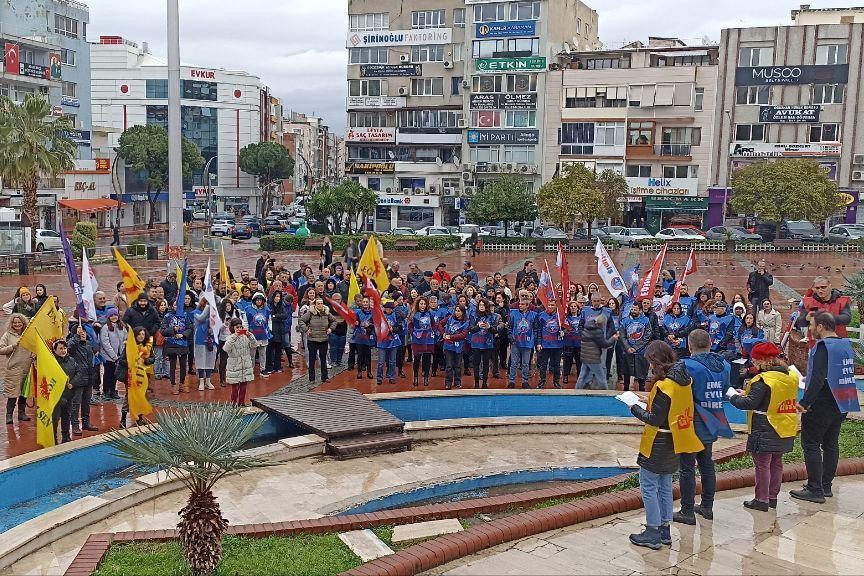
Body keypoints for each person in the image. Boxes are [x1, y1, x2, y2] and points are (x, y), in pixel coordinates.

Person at [627, 341, 703, 550]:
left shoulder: (664, 386)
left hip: (658, 442)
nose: (649, 366)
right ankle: (664, 529)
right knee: (665, 486)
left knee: (649, 486)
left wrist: (633, 406)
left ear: (655, 361)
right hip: (676, 439)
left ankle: (652, 531)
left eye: (650, 362)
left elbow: (654, 418)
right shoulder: (684, 381)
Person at [791, 312, 861, 504]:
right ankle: (826, 485)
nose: (810, 329)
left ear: (821, 326)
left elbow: (818, 378)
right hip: (842, 401)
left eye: (812, 325)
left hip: (822, 402)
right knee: (831, 444)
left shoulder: (822, 347)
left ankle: (815, 489)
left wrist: (805, 403)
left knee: (811, 444)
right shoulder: (845, 344)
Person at [728, 341, 798, 511]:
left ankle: (761, 499)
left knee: (762, 464)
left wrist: (732, 396)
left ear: (761, 361)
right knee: (776, 463)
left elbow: (751, 403)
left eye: (754, 360)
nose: (752, 363)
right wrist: (748, 393)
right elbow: (772, 397)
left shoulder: (763, 380)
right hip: (784, 426)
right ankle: (772, 497)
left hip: (764, 427)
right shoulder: (790, 376)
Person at [674, 329, 734, 524]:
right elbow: (725, 390)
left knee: (687, 467)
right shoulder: (724, 365)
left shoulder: (686, 365)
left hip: (691, 419)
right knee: (707, 464)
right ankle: (707, 507)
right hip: (713, 418)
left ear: (689, 346)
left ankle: (687, 511)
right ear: (710, 343)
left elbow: (678, 392)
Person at [795, 276, 851, 347]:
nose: (820, 290)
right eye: (817, 288)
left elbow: (847, 318)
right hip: (816, 344)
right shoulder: (808, 302)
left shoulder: (841, 301)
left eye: (823, 287)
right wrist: (806, 318)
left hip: (838, 342)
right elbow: (798, 323)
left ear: (830, 286)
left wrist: (827, 318)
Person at [116, 326, 153, 428]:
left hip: (142, 376)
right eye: (139, 334)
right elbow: (122, 360)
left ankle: (139, 418)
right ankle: (123, 419)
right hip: (131, 376)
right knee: (129, 397)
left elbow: (152, 358)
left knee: (141, 396)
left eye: (143, 334)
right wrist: (131, 363)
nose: (141, 336)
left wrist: (146, 361)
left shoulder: (147, 346)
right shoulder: (129, 345)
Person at [67, 323, 100, 435]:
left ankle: (86, 422)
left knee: (86, 403)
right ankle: (75, 424)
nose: (83, 334)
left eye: (84, 332)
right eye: (80, 332)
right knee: (76, 403)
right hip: (78, 379)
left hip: (89, 377)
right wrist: (76, 336)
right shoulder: (73, 346)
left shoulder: (88, 345)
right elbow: (69, 347)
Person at [1, 314, 34, 425]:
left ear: (23, 323)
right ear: (12, 323)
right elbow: (1, 349)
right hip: (13, 369)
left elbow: (34, 347)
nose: (17, 324)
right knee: (12, 394)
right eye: (15, 322)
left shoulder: (28, 335)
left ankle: (22, 413)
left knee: (23, 393)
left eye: (19, 322)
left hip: (27, 369)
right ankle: (9, 415)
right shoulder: (7, 335)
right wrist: (12, 347)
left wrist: (34, 354)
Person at [298, 297, 338, 384]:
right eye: (318, 303)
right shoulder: (310, 313)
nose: (320, 305)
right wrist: (306, 329)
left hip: (323, 339)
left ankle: (325, 377)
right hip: (312, 339)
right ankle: (312, 378)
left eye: (321, 303)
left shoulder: (327, 313)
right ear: (315, 305)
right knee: (312, 360)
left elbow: (334, 321)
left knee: (323, 359)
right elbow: (301, 320)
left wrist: (331, 329)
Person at [575, 314, 617, 390]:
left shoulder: (587, 327)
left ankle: (577, 390)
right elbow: (604, 344)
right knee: (601, 376)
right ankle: (605, 392)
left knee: (582, 375)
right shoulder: (597, 331)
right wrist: (613, 338)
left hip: (585, 355)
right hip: (593, 357)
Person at [620, 301, 655, 392]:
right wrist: (628, 347)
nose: (633, 311)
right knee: (626, 376)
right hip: (627, 352)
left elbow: (647, 336)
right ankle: (625, 393)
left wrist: (635, 348)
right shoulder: (625, 320)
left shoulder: (646, 320)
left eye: (635, 310)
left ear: (640, 310)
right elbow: (622, 336)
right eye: (632, 309)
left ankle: (642, 395)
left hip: (641, 352)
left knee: (641, 378)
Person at [223, 318, 257, 406]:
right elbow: (226, 348)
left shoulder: (245, 337)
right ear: (233, 328)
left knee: (243, 387)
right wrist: (235, 336)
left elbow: (254, 345)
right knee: (235, 388)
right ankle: (233, 404)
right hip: (234, 365)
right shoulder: (230, 338)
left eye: (240, 327)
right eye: (237, 327)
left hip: (245, 365)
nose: (239, 329)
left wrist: (250, 336)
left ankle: (241, 403)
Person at [469, 298, 501, 389]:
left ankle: (484, 383)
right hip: (476, 343)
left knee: (486, 363)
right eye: (480, 305)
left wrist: (489, 327)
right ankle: (476, 383)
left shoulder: (492, 316)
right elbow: (471, 330)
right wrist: (478, 326)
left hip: (487, 343)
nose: (481, 307)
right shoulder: (473, 315)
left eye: (483, 305)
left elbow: (495, 331)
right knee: (476, 363)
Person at [508, 292, 538, 389]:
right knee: (514, 363)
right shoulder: (513, 313)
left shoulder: (534, 315)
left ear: (527, 305)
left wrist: (534, 340)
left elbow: (536, 329)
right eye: (519, 304)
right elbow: (509, 327)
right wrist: (511, 337)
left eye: (522, 304)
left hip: (528, 343)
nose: (520, 305)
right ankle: (512, 381)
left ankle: (525, 381)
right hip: (516, 342)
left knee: (525, 363)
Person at [161, 303, 192, 395]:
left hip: (183, 343)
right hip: (171, 344)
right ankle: (173, 384)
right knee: (173, 366)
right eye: (175, 305)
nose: (177, 307)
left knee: (183, 365)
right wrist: (173, 330)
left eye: (178, 305)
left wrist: (183, 334)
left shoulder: (185, 315)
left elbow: (190, 327)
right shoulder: (167, 316)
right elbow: (162, 330)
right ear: (172, 306)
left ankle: (182, 384)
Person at [52, 339, 77, 443]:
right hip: (57, 397)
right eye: (60, 348)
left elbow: (78, 373)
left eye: (65, 348)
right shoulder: (52, 362)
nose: (63, 350)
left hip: (69, 394)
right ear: (55, 350)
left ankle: (66, 436)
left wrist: (73, 383)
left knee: (66, 416)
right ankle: (53, 438)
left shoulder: (71, 360)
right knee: (55, 419)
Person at [535, 300, 564, 389]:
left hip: (557, 345)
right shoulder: (541, 315)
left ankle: (556, 382)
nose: (550, 307)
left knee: (556, 365)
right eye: (549, 305)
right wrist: (539, 343)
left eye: (552, 305)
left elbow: (566, 327)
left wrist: (564, 332)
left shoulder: (560, 316)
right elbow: (538, 330)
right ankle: (542, 382)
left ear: (556, 306)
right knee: (543, 365)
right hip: (545, 344)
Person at [98, 309, 127, 401]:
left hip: (119, 355)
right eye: (112, 315)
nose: (114, 317)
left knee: (115, 374)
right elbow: (105, 343)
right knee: (108, 373)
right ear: (108, 317)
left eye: (115, 315)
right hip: (109, 356)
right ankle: (106, 391)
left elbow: (125, 338)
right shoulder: (105, 328)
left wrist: (122, 353)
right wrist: (113, 356)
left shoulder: (122, 326)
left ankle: (113, 390)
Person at [374, 301, 402, 386]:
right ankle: (379, 377)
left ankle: (392, 377)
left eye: (390, 308)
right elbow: (376, 327)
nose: (388, 310)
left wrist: (393, 329)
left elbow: (400, 327)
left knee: (392, 361)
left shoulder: (396, 316)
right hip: (382, 341)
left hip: (393, 341)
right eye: (386, 308)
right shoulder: (380, 316)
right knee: (381, 361)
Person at [410, 297, 435, 387]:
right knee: (417, 359)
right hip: (417, 340)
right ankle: (416, 377)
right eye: (421, 304)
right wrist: (413, 332)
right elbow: (410, 326)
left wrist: (432, 332)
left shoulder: (429, 314)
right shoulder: (414, 314)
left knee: (427, 359)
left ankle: (426, 378)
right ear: (418, 304)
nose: (423, 306)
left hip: (428, 340)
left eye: (424, 304)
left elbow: (434, 324)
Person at [443, 304, 470, 390]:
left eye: (459, 311)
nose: (457, 312)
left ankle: (457, 382)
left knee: (458, 366)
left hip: (459, 346)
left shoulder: (466, 322)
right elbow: (439, 324)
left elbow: (462, 335)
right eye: (456, 310)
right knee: (449, 365)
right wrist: (443, 333)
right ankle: (448, 383)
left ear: (463, 312)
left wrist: (450, 337)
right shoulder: (450, 318)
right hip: (448, 346)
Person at [193, 299, 216, 391]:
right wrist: (208, 308)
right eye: (207, 303)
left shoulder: (214, 313)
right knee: (201, 359)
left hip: (211, 338)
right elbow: (201, 319)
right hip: (200, 337)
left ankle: (208, 381)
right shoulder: (196, 312)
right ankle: (201, 381)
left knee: (210, 359)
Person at [246, 292, 271, 376]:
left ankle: (263, 369)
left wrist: (270, 330)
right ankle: (251, 369)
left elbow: (269, 320)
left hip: (263, 334)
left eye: (260, 300)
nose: (259, 301)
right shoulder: (248, 309)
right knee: (252, 354)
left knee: (263, 353)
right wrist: (246, 331)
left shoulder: (266, 309)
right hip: (252, 335)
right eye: (257, 300)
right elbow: (246, 321)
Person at [353, 296, 376, 379]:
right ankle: (359, 372)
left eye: (367, 302)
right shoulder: (358, 312)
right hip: (360, 335)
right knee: (360, 354)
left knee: (368, 354)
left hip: (368, 335)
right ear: (362, 303)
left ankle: (369, 371)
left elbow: (375, 324)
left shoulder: (373, 313)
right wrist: (357, 324)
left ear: (369, 303)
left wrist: (369, 325)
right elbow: (355, 323)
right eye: (364, 302)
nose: (365, 303)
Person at [562, 300, 582, 385]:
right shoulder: (566, 318)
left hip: (579, 343)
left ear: (578, 308)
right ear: (569, 308)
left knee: (579, 361)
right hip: (568, 342)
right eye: (571, 306)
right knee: (567, 360)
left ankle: (580, 377)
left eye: (575, 306)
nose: (573, 308)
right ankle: (566, 375)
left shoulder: (582, 317)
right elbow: (563, 328)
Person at [327, 293, 348, 368]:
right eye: (334, 299)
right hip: (333, 331)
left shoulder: (344, 308)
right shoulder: (328, 308)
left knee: (341, 347)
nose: (336, 301)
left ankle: (339, 361)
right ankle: (333, 361)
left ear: (341, 300)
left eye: (338, 299)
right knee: (333, 347)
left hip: (343, 331)